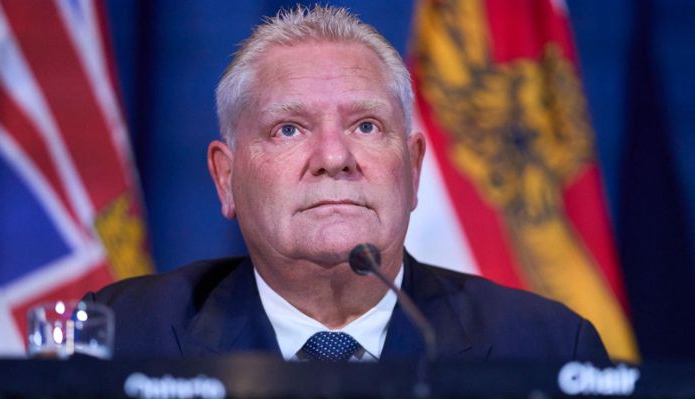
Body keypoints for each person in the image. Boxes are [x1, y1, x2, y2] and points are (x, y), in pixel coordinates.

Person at [84, 5, 610, 364]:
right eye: (288, 129)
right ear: (226, 178)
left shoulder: (546, 347)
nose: (334, 158)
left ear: (413, 169)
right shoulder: (122, 336)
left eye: (366, 126)